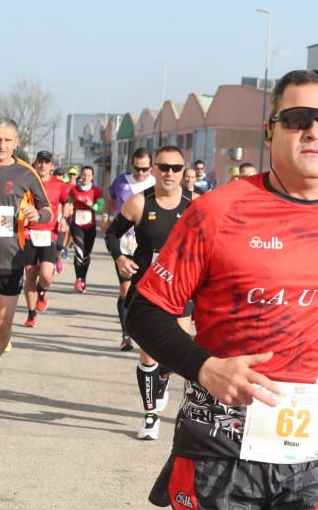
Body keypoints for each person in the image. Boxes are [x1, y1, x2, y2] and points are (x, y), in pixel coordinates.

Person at [127, 69, 318, 509]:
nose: (315, 131)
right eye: (298, 119)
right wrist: (202, 367)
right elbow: (143, 310)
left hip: (315, 451)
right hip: (218, 445)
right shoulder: (216, 211)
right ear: (271, 131)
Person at [106, 146, 193, 439]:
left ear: (184, 171)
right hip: (147, 288)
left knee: (173, 353)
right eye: (163, 167)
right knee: (148, 354)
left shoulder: (196, 205)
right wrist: (120, 257)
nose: (169, 173)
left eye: (176, 168)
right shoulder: (140, 203)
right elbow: (111, 233)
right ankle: (150, 416)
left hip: (182, 290)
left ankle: (164, 379)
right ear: (154, 169)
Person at [0, 119, 53, 381]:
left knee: (3, 325)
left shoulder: (25, 172)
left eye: (7, 140)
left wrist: (36, 214)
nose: (2, 145)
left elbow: (48, 209)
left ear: (16, 142)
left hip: (10, 258)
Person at [107, 148, 156, 350]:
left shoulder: (156, 183)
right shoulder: (120, 181)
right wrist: (107, 218)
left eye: (145, 169)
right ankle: (126, 335)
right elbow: (111, 200)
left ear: (151, 167)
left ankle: (147, 332)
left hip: (147, 246)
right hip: (124, 243)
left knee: (147, 291)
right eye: (137, 168)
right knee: (126, 288)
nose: (141, 173)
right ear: (132, 165)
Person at [21, 151, 71, 327]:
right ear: (35, 164)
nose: (42, 165)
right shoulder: (26, 181)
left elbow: (66, 202)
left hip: (49, 233)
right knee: (30, 274)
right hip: (27, 233)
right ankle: (31, 313)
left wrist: (64, 218)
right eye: (40, 162)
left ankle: (42, 290)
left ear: (52, 166)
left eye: (46, 162)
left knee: (46, 275)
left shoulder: (59, 185)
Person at [67, 165, 104, 294]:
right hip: (76, 225)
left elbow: (100, 208)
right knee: (79, 253)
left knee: (86, 255)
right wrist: (68, 212)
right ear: (80, 176)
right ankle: (78, 279)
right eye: (83, 175)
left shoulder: (96, 191)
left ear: (92, 177)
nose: (86, 177)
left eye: (88, 175)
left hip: (90, 226)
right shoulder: (74, 189)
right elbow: (68, 203)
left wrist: (91, 205)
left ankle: (83, 279)